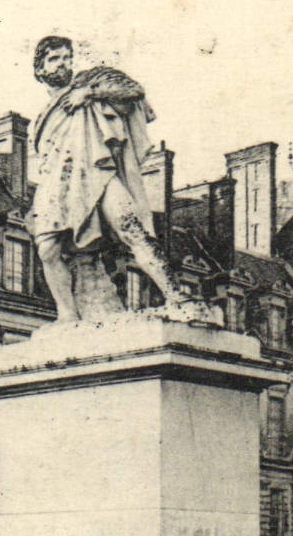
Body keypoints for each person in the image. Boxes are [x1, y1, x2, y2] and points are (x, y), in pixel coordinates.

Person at [27, 36, 197, 323]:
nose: (63, 64)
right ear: (40, 69)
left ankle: (177, 296)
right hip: (60, 182)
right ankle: (67, 316)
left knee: (131, 227)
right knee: (47, 249)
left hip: (98, 170)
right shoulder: (41, 120)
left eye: (67, 57)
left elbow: (133, 90)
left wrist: (90, 93)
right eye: (54, 59)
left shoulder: (87, 83)